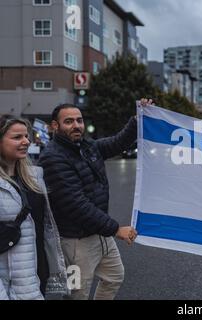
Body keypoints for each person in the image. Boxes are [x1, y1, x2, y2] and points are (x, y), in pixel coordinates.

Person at [38, 101, 151, 300]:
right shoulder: (52, 158)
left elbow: (118, 142)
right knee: (77, 294)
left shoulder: (86, 146)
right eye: (69, 121)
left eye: (79, 120)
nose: (76, 125)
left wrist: (137, 119)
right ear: (55, 126)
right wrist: (116, 229)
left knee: (115, 276)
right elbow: (77, 205)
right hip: (75, 242)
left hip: (99, 233)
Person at [0, 115, 67, 300]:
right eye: (17, 137)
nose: (26, 141)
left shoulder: (34, 176)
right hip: (12, 282)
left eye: (26, 136)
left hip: (38, 270)